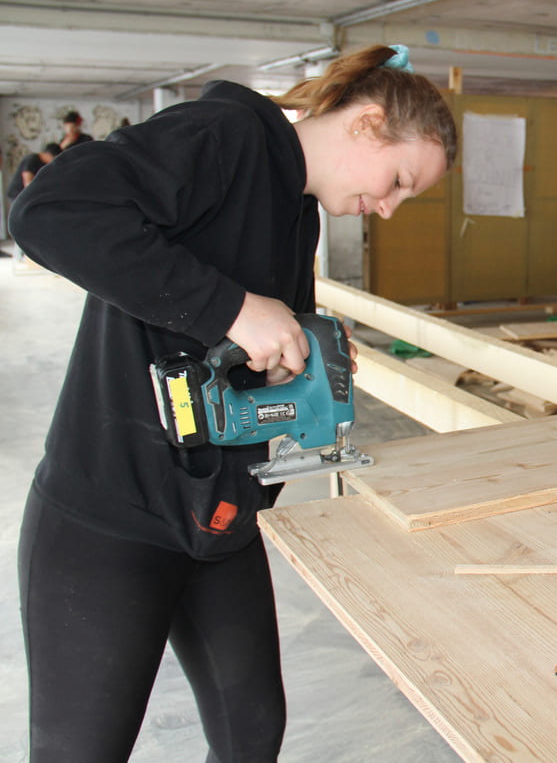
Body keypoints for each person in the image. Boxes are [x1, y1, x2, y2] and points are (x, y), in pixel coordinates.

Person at [10, 44, 456, 762]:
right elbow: (47, 211)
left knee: (251, 735)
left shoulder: (297, 211)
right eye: (400, 180)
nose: (393, 209)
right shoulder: (223, 136)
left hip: (219, 519)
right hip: (109, 520)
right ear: (368, 123)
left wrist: (296, 356)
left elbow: (237, 346)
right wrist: (234, 308)